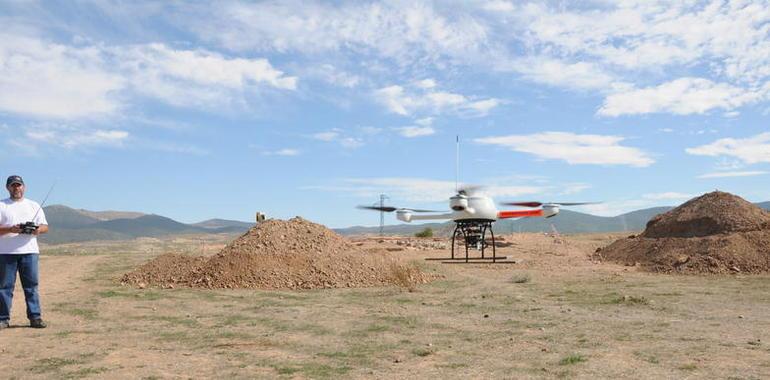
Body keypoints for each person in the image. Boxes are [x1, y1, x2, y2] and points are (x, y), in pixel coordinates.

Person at [0, 175, 49, 329]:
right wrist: (11, 229)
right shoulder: (1, 206)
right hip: (6, 253)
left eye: (19, 185)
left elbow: (45, 227)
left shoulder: (34, 206)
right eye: (13, 185)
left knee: (31, 286)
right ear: (8, 188)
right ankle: (3, 319)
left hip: (30, 252)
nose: (17, 188)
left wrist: (37, 230)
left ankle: (35, 317)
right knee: (5, 287)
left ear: (24, 187)